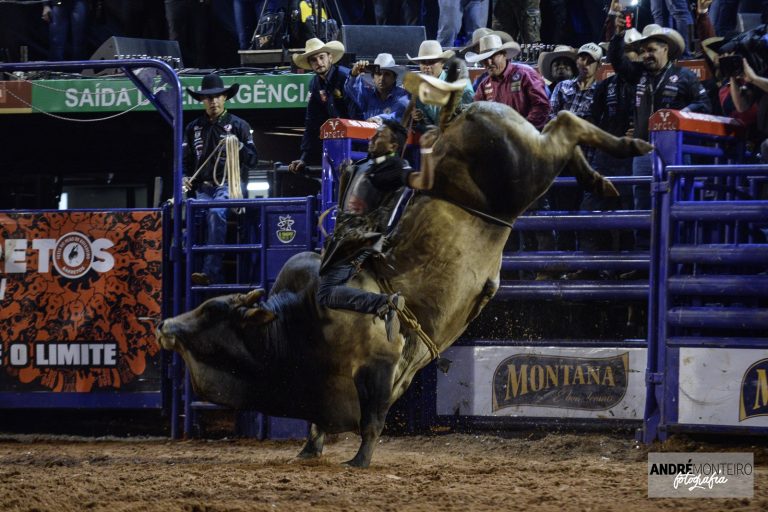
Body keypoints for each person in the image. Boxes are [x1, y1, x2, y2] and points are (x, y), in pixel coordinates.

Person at [317, 120, 435, 342]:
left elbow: (423, 182)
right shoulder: (366, 164)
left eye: (379, 136)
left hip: (360, 241)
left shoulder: (395, 167)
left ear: (393, 146)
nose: (371, 138)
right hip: (345, 239)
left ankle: (385, 303)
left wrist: (427, 150)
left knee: (327, 292)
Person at [609, 21, 711, 276]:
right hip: (643, 151)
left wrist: (679, 115)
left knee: (675, 203)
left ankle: (677, 263)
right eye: (643, 51)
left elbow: (704, 104)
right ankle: (646, 263)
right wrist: (619, 32)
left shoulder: (685, 76)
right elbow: (617, 60)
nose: (646, 55)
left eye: (652, 49)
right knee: (642, 206)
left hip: (675, 151)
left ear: (666, 49)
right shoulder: (637, 74)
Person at [182, 74, 258, 285]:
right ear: (202, 100)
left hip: (228, 186)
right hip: (202, 188)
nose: (213, 101)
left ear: (224, 97)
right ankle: (192, 274)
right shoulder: (193, 128)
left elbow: (253, 159)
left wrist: (238, 145)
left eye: (217, 96)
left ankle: (210, 272)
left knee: (216, 212)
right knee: (192, 220)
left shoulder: (239, 125)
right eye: (208, 97)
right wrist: (184, 177)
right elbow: (184, 160)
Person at [288, 38, 352, 174]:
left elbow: (358, 111)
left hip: (357, 141)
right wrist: (304, 158)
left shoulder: (345, 77)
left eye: (321, 57)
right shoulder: (315, 84)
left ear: (330, 58)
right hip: (338, 142)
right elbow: (312, 121)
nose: (318, 62)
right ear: (310, 64)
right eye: (314, 60)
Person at [466, 34, 550, 130]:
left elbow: (541, 106)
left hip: (528, 134)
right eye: (484, 59)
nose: (488, 63)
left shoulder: (525, 74)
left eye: (492, 57)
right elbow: (477, 113)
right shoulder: (484, 85)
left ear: (504, 55)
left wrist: (522, 129)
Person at [406, 39, 474, 132]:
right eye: (423, 62)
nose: (427, 66)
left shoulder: (460, 84)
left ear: (442, 63)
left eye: (431, 62)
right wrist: (420, 119)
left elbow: (469, 118)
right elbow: (427, 127)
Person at [345, 53, 411, 124]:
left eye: (387, 74)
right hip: (368, 130)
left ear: (394, 78)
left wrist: (379, 119)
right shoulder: (368, 93)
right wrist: (353, 74)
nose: (382, 78)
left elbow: (398, 113)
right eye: (379, 74)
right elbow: (351, 90)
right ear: (373, 77)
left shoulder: (403, 95)